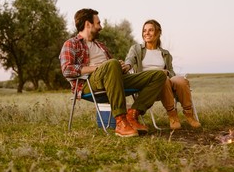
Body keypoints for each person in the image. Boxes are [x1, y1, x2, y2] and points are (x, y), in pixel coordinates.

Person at [60, 9, 167, 137]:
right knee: (112, 63)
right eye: (98, 23)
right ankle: (121, 121)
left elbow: (111, 66)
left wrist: (120, 66)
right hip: (88, 84)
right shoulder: (71, 44)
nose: (101, 26)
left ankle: (132, 114)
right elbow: (67, 69)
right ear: (88, 24)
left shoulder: (100, 45)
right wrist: (96, 68)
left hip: (112, 80)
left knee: (159, 75)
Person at [125, 19, 201, 129]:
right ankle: (172, 115)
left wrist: (166, 72)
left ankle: (189, 114)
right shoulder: (137, 49)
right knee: (162, 78)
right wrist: (127, 66)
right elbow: (129, 60)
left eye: (150, 30)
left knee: (180, 80)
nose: (146, 33)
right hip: (149, 86)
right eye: (144, 30)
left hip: (167, 84)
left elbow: (172, 73)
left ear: (158, 32)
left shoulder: (165, 54)